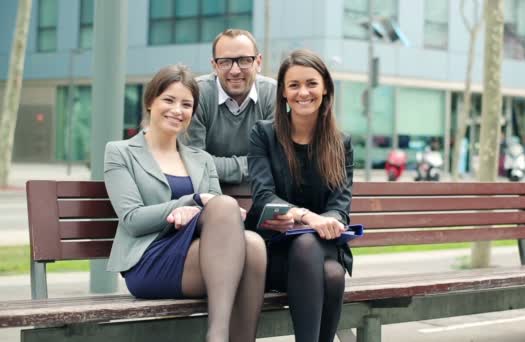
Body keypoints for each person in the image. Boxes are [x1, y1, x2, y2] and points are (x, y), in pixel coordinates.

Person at [104, 65, 266, 342]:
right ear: (150, 102)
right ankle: (217, 336)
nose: (177, 110)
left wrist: (207, 210)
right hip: (149, 259)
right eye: (169, 100)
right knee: (229, 215)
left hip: (200, 256)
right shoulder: (120, 152)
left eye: (186, 104)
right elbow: (132, 219)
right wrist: (189, 202)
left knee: (253, 244)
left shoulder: (201, 159)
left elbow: (217, 209)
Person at [247, 49, 354, 342]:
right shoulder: (263, 135)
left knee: (311, 246)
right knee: (332, 276)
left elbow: (340, 205)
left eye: (311, 83)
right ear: (283, 92)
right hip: (276, 252)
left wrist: (328, 221)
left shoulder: (340, 143)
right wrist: (307, 217)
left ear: (325, 89)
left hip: (323, 244)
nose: (303, 92)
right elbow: (263, 196)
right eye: (294, 85)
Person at [185, 29, 277, 184]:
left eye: (245, 60)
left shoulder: (273, 94)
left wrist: (212, 167)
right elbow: (194, 163)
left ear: (258, 62)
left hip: (262, 193)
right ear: (214, 65)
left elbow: (276, 161)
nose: (235, 70)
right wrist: (257, 164)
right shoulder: (196, 95)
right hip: (206, 193)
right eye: (225, 62)